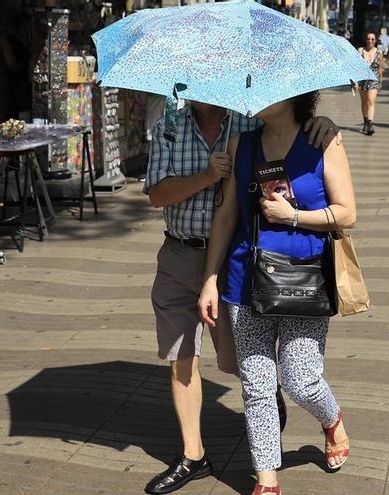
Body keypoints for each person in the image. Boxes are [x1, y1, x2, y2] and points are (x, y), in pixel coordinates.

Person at [143, 102, 338, 495]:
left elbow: (292, 130)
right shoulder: (168, 124)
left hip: (242, 262)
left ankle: (276, 402)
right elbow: (157, 194)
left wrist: (322, 122)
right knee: (182, 359)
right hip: (180, 255)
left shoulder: (251, 121)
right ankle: (195, 456)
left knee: (244, 367)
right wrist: (207, 175)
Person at [198, 91, 354, 495]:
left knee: (302, 380)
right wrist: (210, 280)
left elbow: (347, 212)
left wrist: (294, 216)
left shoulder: (323, 140)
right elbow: (227, 215)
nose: (254, 97)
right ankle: (266, 478)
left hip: (305, 278)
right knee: (257, 384)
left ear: (292, 96)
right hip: (244, 280)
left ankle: (332, 419)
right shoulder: (243, 144)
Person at [357, 31, 383, 136]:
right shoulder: (360, 50)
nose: (370, 41)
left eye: (372, 39)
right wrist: (354, 81)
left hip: (374, 79)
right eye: (368, 39)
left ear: (375, 41)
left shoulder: (379, 52)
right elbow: (357, 66)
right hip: (363, 79)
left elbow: (380, 67)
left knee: (371, 101)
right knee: (364, 102)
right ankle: (365, 121)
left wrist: (381, 80)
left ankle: (370, 124)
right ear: (366, 40)